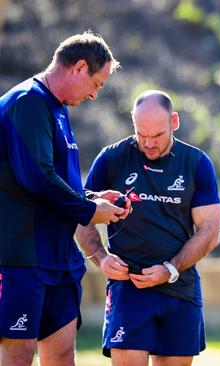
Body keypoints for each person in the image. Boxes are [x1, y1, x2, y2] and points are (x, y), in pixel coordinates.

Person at [0, 31, 127, 366]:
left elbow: (59, 178)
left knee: (61, 354)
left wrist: (93, 196)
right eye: (96, 84)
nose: (95, 95)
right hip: (21, 259)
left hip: (59, 258)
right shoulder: (28, 101)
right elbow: (36, 177)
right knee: (19, 355)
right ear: (79, 67)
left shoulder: (58, 108)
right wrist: (88, 209)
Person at [75, 90, 220, 366]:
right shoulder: (112, 158)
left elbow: (210, 232)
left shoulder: (196, 163)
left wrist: (170, 269)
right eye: (142, 134)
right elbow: (81, 214)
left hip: (179, 287)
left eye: (157, 136)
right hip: (128, 288)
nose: (148, 143)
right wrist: (101, 257)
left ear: (174, 122)